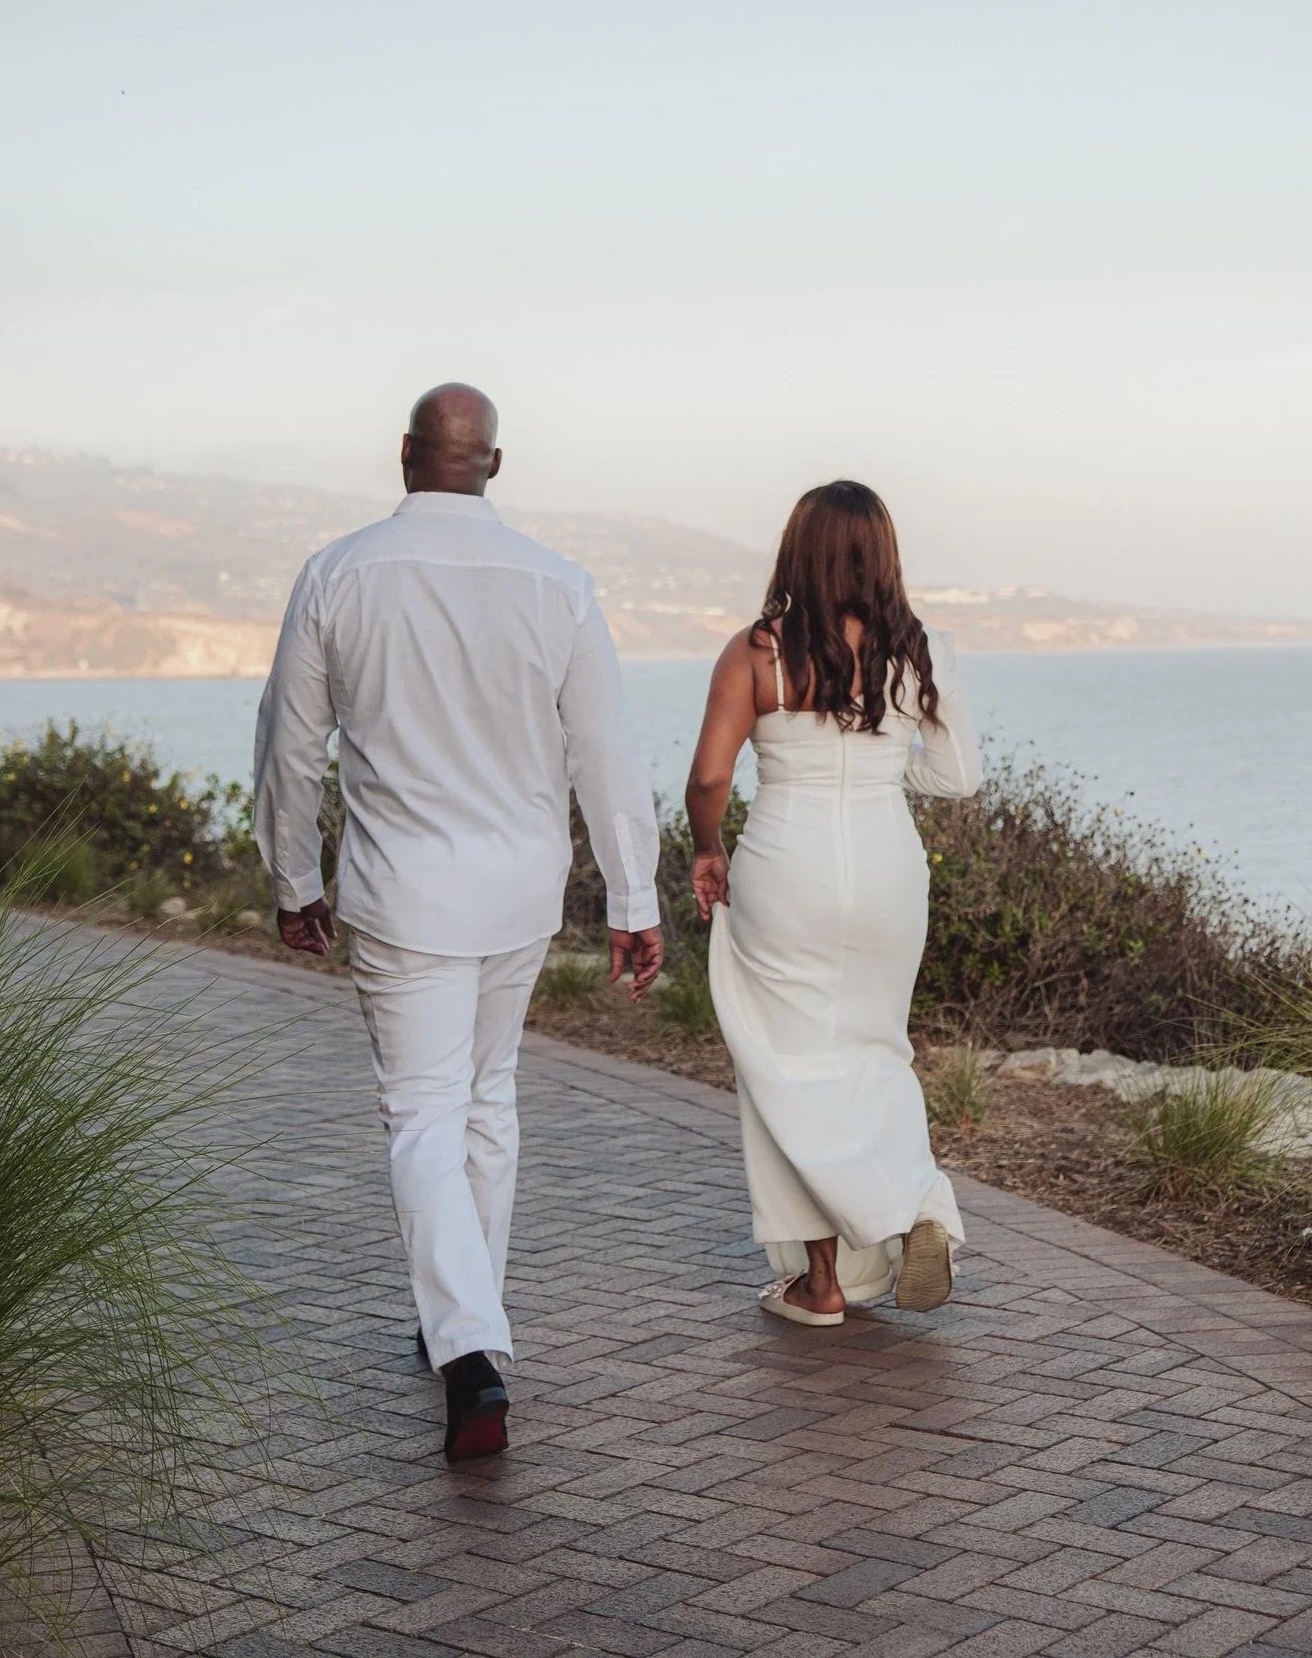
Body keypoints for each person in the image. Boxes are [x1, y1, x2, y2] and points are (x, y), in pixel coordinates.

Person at [253, 383, 663, 1460]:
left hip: (403, 891)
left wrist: (294, 877)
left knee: (425, 1112)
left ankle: (467, 1346)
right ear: (493, 462)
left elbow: (291, 748)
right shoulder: (559, 585)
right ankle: (462, 1322)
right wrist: (633, 896)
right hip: (521, 890)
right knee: (488, 1101)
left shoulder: (339, 574)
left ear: (404, 456)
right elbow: (608, 755)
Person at [684, 481, 981, 1326]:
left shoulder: (759, 652)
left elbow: (709, 777)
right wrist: (890, 775)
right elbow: (960, 775)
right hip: (888, 868)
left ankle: (822, 1284)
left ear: (797, 549)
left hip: (787, 866)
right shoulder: (924, 648)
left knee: (784, 1062)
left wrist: (709, 849)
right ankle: (919, 1203)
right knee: (877, 1049)